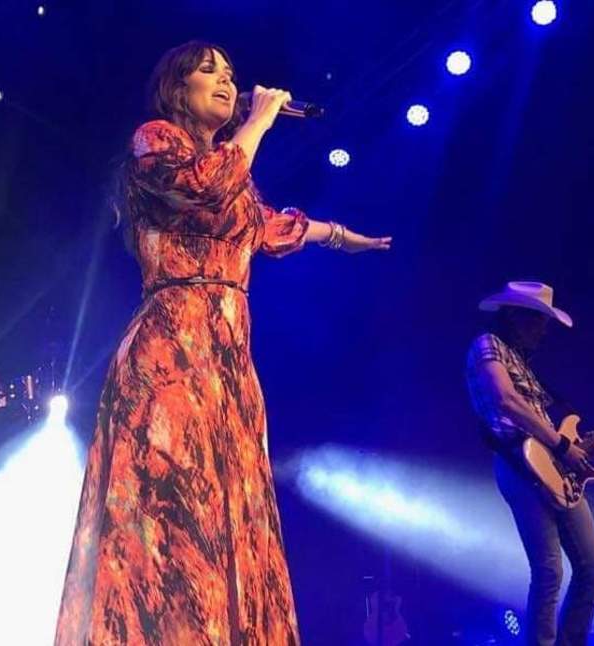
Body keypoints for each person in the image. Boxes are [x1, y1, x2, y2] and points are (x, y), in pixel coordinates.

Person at [55, 41, 392, 644]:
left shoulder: (230, 171)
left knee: (229, 510)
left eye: (231, 74)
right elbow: (208, 188)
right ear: (176, 89)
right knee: (175, 514)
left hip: (227, 362)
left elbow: (270, 226)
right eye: (208, 71)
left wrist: (342, 236)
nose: (227, 82)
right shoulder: (156, 142)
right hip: (172, 350)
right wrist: (258, 122)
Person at [465, 282, 594, 646]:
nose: (544, 330)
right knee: (548, 572)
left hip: (552, 465)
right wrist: (562, 446)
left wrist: (577, 448)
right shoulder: (487, 345)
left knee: (593, 568)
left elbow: (541, 420)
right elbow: (506, 400)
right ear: (515, 316)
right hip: (516, 462)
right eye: (538, 320)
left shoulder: (524, 364)